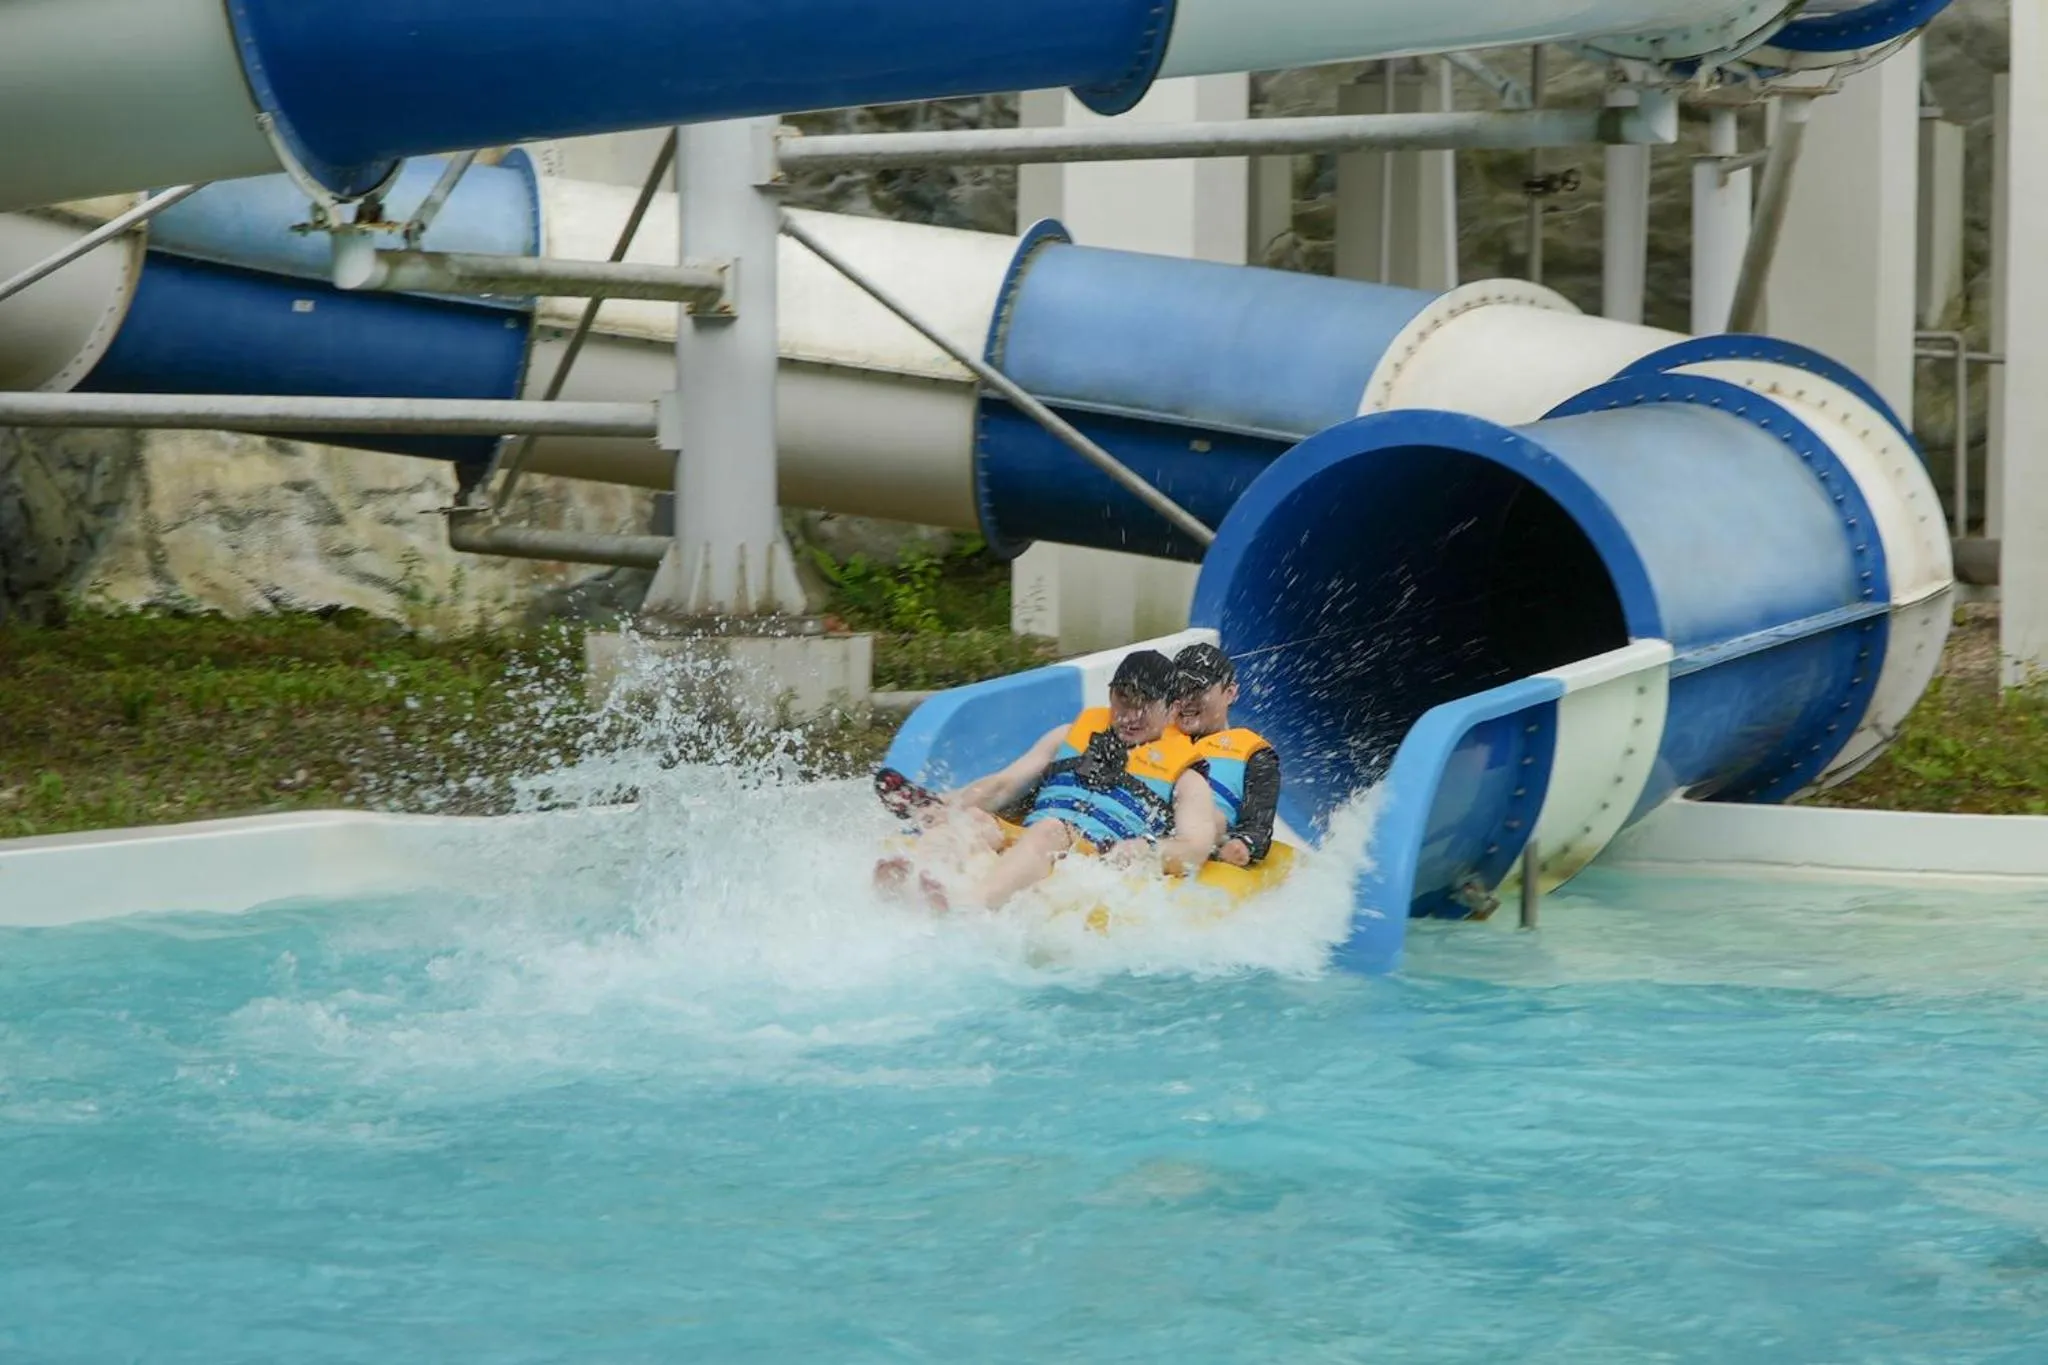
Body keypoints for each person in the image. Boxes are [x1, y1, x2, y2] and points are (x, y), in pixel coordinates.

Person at [874, 650, 1222, 910]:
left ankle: (969, 905)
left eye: (1143, 705)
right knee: (974, 818)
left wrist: (1146, 851)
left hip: (1092, 853)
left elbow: (1195, 846)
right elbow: (1004, 783)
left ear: (1172, 707)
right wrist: (951, 805)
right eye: (1122, 701)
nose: (1129, 716)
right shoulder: (1066, 736)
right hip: (1033, 839)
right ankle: (922, 876)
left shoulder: (1187, 778)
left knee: (1049, 831)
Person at [1168, 643, 1281, 868]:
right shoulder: (1150, 737)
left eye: (1196, 689)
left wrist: (1243, 844)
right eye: (1177, 688)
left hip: (1201, 847)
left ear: (1230, 693)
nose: (1185, 699)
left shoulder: (1255, 756)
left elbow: (1258, 828)